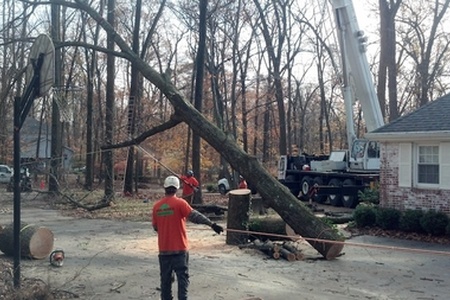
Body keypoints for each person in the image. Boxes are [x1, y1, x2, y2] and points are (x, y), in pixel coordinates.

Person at [152, 176, 224, 300]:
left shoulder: (157, 207)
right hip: (180, 250)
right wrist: (211, 224)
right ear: (177, 188)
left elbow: (155, 227)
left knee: (165, 281)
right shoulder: (180, 203)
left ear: (165, 188)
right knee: (182, 279)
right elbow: (195, 216)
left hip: (164, 251)